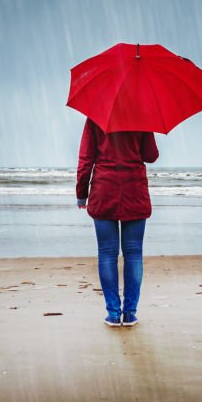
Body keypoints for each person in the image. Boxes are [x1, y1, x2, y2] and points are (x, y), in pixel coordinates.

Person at [75, 116, 159, 327]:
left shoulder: (95, 116)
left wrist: (81, 193)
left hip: (105, 189)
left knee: (107, 253)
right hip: (134, 190)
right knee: (133, 253)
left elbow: (86, 159)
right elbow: (151, 156)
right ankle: (129, 313)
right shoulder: (141, 116)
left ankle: (113, 313)